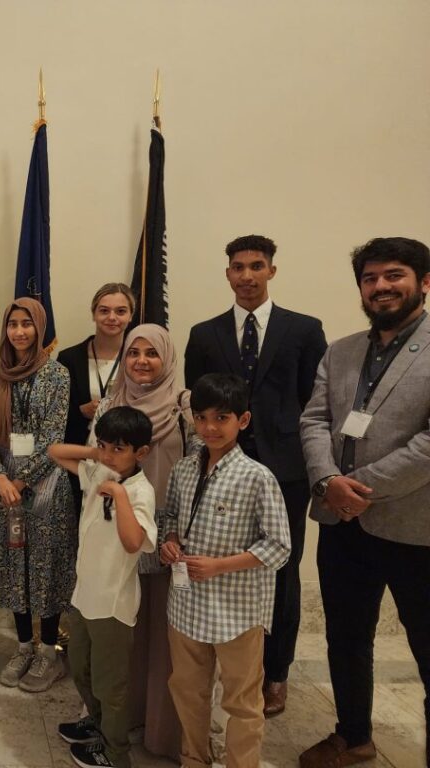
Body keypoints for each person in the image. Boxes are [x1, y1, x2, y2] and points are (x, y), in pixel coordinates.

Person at [299, 237, 430, 768]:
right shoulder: (343, 350)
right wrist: (329, 480)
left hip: (414, 527)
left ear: (423, 282)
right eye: (370, 278)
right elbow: (313, 420)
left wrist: (361, 487)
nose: (381, 287)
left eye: (393, 275)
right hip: (341, 524)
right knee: (347, 637)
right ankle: (353, 736)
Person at [184, 235, 326, 716]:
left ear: (271, 271)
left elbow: (315, 405)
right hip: (219, 468)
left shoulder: (304, 331)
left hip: (284, 470)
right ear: (227, 273)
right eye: (238, 267)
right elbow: (195, 403)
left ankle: (276, 673)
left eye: (256, 266)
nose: (247, 275)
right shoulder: (205, 334)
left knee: (279, 573)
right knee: (220, 564)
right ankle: (228, 661)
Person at [160, 373, 290, 768]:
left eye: (222, 418)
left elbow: (279, 546)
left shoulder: (256, 477)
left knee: (243, 702)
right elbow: (170, 518)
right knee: (188, 691)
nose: (210, 428)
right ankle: (193, 759)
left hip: (237, 611)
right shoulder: (183, 470)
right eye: (201, 418)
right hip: (186, 606)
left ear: (243, 420)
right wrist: (169, 542)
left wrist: (220, 565)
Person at [93, 322, 192, 759]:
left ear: (167, 358)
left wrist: (175, 531)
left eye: (152, 353)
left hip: (168, 537)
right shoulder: (110, 405)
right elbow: (94, 466)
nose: (142, 362)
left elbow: (194, 473)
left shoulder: (185, 409)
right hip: (117, 537)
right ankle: (120, 718)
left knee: (163, 637)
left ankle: (162, 730)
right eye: (134, 353)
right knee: (122, 635)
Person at [49, 406, 157, 768]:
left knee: (111, 687)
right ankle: (96, 726)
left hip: (113, 605)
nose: (110, 454)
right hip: (84, 596)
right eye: (105, 445)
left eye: (119, 448)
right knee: (79, 667)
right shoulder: (99, 470)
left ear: (141, 453)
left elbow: (132, 542)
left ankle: (115, 753)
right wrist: (97, 454)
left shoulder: (141, 491)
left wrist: (121, 497)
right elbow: (54, 452)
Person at [0, 297, 75, 693]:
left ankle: (48, 653)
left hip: (47, 485)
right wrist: (0, 477)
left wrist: (22, 481)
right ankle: (22, 647)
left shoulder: (58, 375)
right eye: (12, 324)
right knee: (14, 565)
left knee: (45, 568)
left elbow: (53, 438)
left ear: (39, 328)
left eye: (27, 324)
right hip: (4, 485)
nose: (19, 331)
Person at [57, 282, 135, 503]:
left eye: (121, 311)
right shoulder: (69, 358)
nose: (112, 317)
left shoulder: (138, 359)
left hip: (123, 462)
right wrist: (80, 410)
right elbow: (56, 412)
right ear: (93, 314)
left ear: (131, 316)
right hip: (79, 461)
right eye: (104, 310)